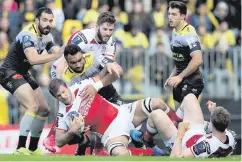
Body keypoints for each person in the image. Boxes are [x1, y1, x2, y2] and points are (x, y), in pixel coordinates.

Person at [43, 11, 124, 152]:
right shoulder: (82, 38)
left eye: (111, 30)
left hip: (90, 75)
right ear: (96, 26)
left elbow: (111, 69)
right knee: (68, 109)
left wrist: (96, 84)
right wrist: (61, 81)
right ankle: (57, 134)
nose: (107, 33)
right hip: (70, 75)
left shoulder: (111, 42)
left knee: (111, 105)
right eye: (105, 29)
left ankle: (94, 144)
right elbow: (65, 56)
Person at [48, 69, 178, 156]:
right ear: (55, 97)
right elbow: (59, 141)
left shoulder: (81, 86)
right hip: (110, 131)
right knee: (120, 154)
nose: (63, 96)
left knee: (157, 103)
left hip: (123, 113)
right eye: (59, 96)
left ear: (66, 86)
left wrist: (96, 85)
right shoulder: (62, 113)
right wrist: (72, 130)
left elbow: (114, 74)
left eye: (63, 92)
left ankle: (173, 127)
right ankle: (152, 153)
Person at [0, 7, 62, 155]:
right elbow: (33, 59)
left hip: (23, 72)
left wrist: (69, 52)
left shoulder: (47, 36)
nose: (48, 24)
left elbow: (58, 52)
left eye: (51, 21)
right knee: (33, 106)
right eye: (45, 20)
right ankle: (20, 148)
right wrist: (55, 55)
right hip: (8, 72)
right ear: (37, 21)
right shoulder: (28, 35)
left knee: (44, 108)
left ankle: (33, 149)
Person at [132, 94, 236, 158]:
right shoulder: (229, 136)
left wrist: (180, 133)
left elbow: (176, 157)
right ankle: (174, 123)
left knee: (156, 114)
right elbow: (216, 128)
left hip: (183, 144)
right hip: (198, 134)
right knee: (190, 98)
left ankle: (147, 141)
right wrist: (213, 112)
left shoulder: (205, 147)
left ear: (213, 122)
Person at [164, 1, 204, 123]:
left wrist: (180, 77)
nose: (170, 17)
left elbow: (198, 59)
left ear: (182, 16)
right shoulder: (175, 31)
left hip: (192, 80)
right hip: (179, 79)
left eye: (174, 14)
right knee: (179, 121)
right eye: (169, 14)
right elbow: (179, 60)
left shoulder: (189, 33)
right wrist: (171, 77)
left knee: (180, 119)